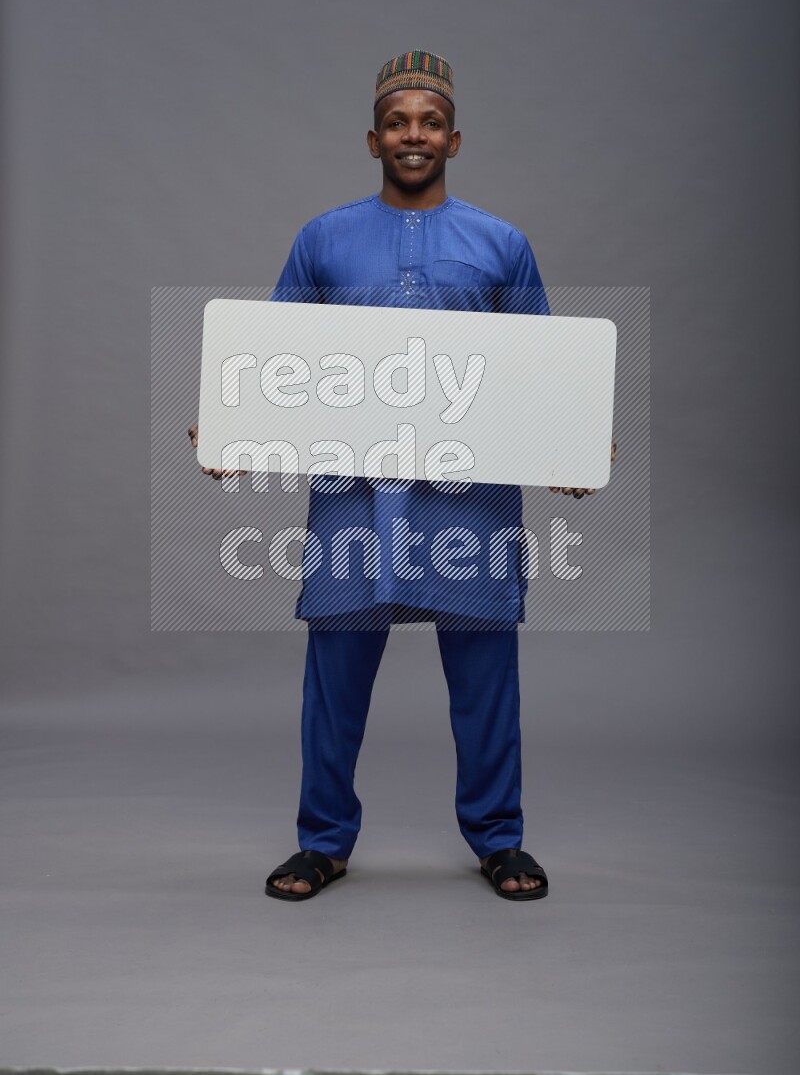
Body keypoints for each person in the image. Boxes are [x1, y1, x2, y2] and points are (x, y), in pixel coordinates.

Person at [189, 50, 614, 901]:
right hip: (357, 499)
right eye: (396, 122)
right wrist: (236, 426)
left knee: (487, 677)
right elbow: (275, 360)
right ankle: (323, 840)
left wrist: (570, 445)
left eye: (427, 122)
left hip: (472, 503)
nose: (411, 135)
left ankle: (499, 839)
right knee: (335, 677)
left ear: (454, 138)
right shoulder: (324, 237)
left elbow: (545, 367)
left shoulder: (501, 243)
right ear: (372, 138)